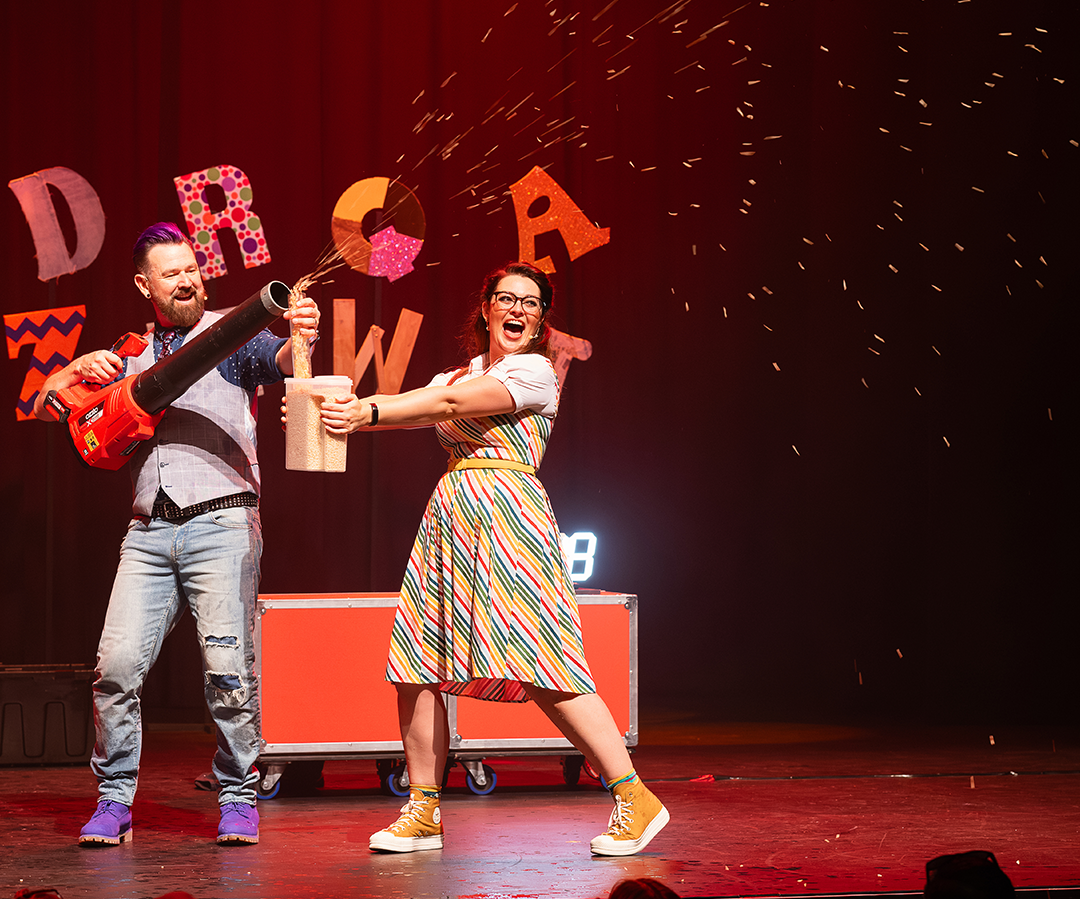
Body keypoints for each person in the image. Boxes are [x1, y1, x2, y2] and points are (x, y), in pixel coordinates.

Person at [303, 261, 669, 857]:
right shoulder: (462, 370)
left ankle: (634, 795)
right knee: (417, 661)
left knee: (544, 661)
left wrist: (365, 413)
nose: (517, 310)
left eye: (530, 302)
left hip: (509, 517)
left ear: (541, 319)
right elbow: (418, 405)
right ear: (487, 307)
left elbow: (444, 405)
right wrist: (329, 416)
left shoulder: (534, 372)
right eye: (506, 299)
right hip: (450, 518)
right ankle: (422, 809)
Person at [35, 222, 320, 847]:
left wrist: (299, 338)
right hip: (148, 532)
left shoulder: (229, 335)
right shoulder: (126, 354)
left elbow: (274, 359)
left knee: (228, 672)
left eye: (192, 267)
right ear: (145, 285)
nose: (188, 278)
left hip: (223, 523)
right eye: (172, 272)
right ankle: (113, 802)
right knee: (115, 668)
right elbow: (50, 408)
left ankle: (238, 796)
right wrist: (68, 374)